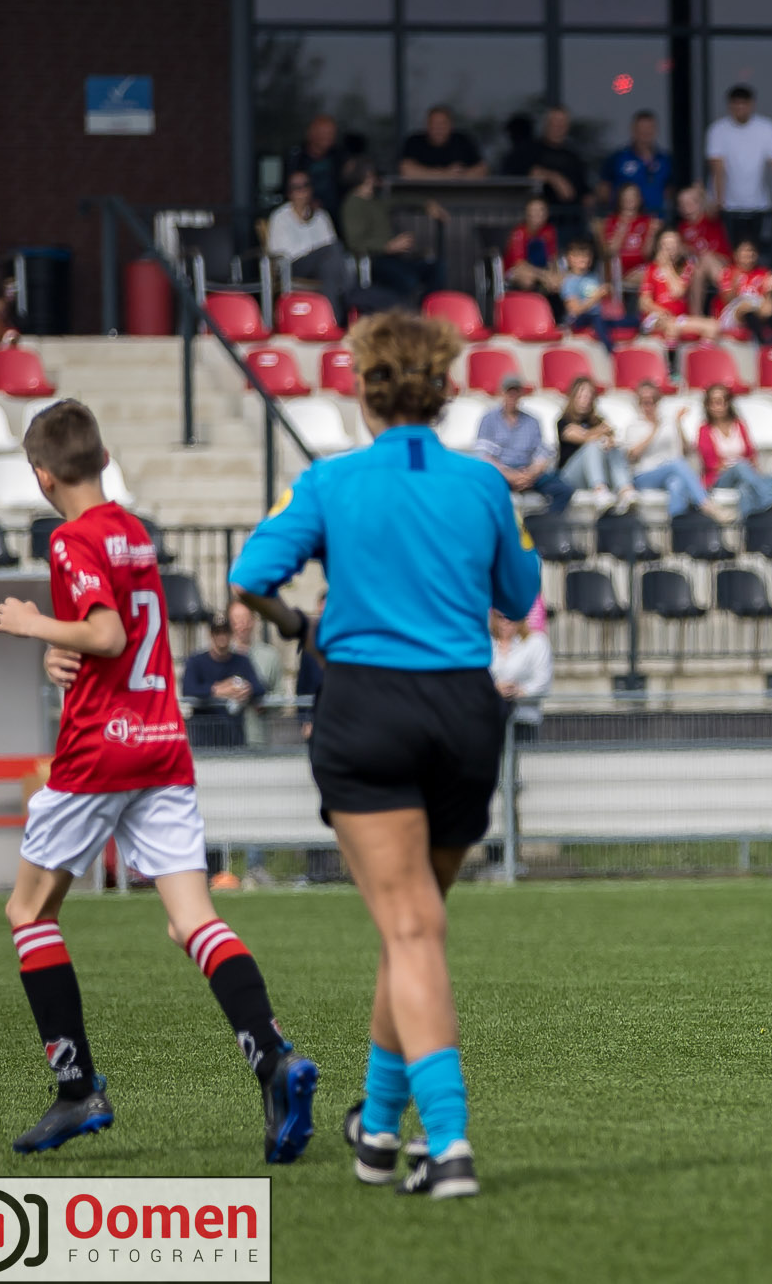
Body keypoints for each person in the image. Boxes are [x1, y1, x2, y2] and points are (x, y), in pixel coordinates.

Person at [230, 309, 542, 1199]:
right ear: (444, 394)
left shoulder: (329, 480)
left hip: (366, 705)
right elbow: (519, 591)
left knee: (408, 929)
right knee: (415, 928)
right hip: (463, 711)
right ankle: (375, 1130)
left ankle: (447, 1143)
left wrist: (301, 625)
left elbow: (250, 577)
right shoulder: (483, 483)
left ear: (365, 394)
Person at [0, 399, 317, 1159]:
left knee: (29, 910)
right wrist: (64, 652)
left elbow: (106, 632)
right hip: (162, 743)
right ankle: (274, 1060)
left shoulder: (71, 538)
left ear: (42, 477)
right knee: (192, 920)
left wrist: (33, 625)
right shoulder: (134, 531)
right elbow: (118, 634)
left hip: (100, 750)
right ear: (104, 461)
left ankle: (76, 1088)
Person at [705, 84, 772, 247]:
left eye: (743, 105)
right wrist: (718, 202)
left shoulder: (767, 128)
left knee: (753, 249)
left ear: (751, 105)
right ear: (729, 106)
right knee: (729, 249)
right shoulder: (718, 130)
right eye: (736, 105)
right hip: (727, 207)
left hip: (757, 204)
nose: (740, 110)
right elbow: (718, 170)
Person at [342, 158, 445, 306]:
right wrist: (388, 246)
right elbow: (355, 242)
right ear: (367, 177)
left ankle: (428, 311)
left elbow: (401, 200)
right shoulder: (352, 204)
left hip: (395, 259)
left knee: (436, 269)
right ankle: (403, 315)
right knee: (408, 280)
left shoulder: (375, 200)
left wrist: (426, 204)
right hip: (374, 261)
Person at [475, 374, 573, 512]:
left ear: (521, 394)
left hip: (527, 470)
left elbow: (541, 452)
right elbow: (484, 455)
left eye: (516, 392)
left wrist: (531, 473)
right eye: (509, 392)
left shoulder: (532, 421)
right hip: (500, 471)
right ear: (502, 393)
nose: (512, 396)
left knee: (563, 490)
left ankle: (547, 522)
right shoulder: (489, 419)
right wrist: (510, 475)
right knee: (483, 488)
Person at [620, 379, 711, 518]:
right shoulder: (634, 426)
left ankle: (676, 526)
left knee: (676, 483)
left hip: (670, 471)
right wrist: (654, 429)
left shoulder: (669, 423)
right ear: (639, 402)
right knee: (677, 464)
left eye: (653, 400)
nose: (649, 404)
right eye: (645, 401)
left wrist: (678, 424)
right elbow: (632, 455)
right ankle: (705, 504)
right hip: (644, 475)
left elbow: (686, 450)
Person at [266, 173, 349, 320]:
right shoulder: (280, 217)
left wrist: (318, 254)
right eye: (296, 187)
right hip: (292, 266)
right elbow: (279, 251)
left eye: (305, 185)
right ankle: (345, 308)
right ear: (289, 192)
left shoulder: (321, 216)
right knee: (333, 254)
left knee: (329, 270)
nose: (302, 191)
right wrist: (313, 252)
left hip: (320, 266)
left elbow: (330, 245)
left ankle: (332, 321)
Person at [695, 385, 772, 516]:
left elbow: (750, 453)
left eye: (722, 401)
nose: (719, 406)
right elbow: (710, 463)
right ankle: (769, 498)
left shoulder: (739, 425)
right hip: (719, 477)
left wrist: (750, 468)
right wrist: (734, 465)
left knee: (746, 488)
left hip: (744, 473)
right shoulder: (705, 430)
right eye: (714, 402)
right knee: (741, 466)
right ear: (708, 405)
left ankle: (747, 524)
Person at [182, 616, 263, 748]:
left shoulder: (242, 661)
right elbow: (188, 689)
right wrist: (218, 690)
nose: (222, 636)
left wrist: (246, 689)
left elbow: (260, 688)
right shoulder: (196, 662)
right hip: (204, 739)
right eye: (217, 632)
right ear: (211, 635)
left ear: (231, 634)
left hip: (234, 738)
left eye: (225, 632)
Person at [556, 377, 634, 506]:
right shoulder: (564, 421)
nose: (585, 400)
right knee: (593, 444)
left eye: (589, 396)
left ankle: (626, 489)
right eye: (581, 396)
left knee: (613, 448)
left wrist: (606, 439)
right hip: (570, 476)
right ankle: (599, 490)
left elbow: (609, 435)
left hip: (595, 471)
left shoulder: (597, 420)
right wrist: (599, 433)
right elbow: (580, 437)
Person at [639, 229, 720, 342]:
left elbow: (677, 292)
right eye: (665, 244)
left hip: (679, 318)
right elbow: (644, 303)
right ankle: (671, 353)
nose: (669, 248)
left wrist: (666, 267)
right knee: (672, 327)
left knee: (713, 326)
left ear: (680, 247)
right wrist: (661, 311)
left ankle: (701, 353)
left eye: (673, 243)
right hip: (657, 317)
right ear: (659, 247)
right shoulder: (651, 269)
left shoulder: (686, 267)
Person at [488, 611, 552, 742]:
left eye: (510, 617)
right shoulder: (486, 643)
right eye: (500, 617)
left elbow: (543, 681)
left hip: (524, 718)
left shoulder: (536, 642)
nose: (505, 622)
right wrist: (494, 689)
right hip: (490, 720)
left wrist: (520, 691)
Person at [231, 600, 285, 745]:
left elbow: (281, 696)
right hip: (225, 737)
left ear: (253, 621)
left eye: (245, 619)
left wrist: (264, 703)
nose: (241, 625)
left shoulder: (270, 655)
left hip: (259, 737)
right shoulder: (220, 656)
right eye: (236, 620)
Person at [599, 109, 673, 215]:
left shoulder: (665, 160)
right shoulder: (618, 158)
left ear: (656, 130)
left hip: (656, 219)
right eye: (642, 128)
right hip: (626, 220)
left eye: (649, 128)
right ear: (633, 130)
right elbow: (604, 190)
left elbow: (670, 191)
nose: (646, 132)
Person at [713, 238, 772, 344]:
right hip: (733, 313)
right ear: (736, 254)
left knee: (769, 308)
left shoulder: (763, 273)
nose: (749, 255)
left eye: (751, 251)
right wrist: (734, 284)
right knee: (745, 305)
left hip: (757, 311)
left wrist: (770, 290)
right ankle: (761, 339)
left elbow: (770, 305)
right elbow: (727, 301)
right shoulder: (728, 272)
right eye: (745, 252)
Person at [523, 106, 590, 217]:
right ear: (546, 124)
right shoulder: (530, 151)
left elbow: (584, 192)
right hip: (540, 219)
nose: (558, 126)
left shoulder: (574, 156)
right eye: (554, 122)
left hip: (571, 219)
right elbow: (525, 176)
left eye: (562, 123)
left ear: (567, 126)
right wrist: (554, 178)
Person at [285, 114, 349, 219]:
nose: (329, 137)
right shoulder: (296, 158)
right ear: (311, 134)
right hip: (303, 216)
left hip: (335, 216)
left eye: (332, 133)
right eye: (325, 133)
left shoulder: (339, 158)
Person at [399, 105, 487, 179]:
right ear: (427, 125)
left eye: (443, 123)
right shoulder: (414, 142)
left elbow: (482, 169)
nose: (438, 128)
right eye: (434, 124)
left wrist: (461, 176)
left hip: (458, 193)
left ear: (451, 125)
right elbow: (406, 170)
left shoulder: (463, 141)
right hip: (422, 193)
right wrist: (445, 174)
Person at [557, 238, 614, 346]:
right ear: (570, 259)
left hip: (598, 317)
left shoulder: (594, 277)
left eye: (586, 256)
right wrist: (596, 297)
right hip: (579, 320)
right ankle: (611, 350)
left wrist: (606, 292)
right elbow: (575, 310)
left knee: (629, 321)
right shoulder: (569, 282)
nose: (584, 259)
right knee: (597, 319)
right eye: (579, 256)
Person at [603, 183, 656, 296]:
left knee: (654, 274)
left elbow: (647, 254)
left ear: (639, 199)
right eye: (626, 196)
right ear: (620, 199)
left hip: (642, 268)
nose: (629, 199)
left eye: (633, 196)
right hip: (619, 270)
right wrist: (622, 227)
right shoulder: (612, 220)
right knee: (653, 277)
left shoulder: (647, 221)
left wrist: (652, 232)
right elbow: (611, 251)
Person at [502, 198, 562, 297]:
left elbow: (552, 257)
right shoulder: (519, 233)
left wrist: (554, 275)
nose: (537, 214)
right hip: (516, 269)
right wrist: (544, 276)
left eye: (541, 210)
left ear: (547, 213)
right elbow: (520, 264)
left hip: (542, 268)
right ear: (527, 213)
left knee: (561, 279)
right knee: (527, 280)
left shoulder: (549, 230)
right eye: (533, 210)